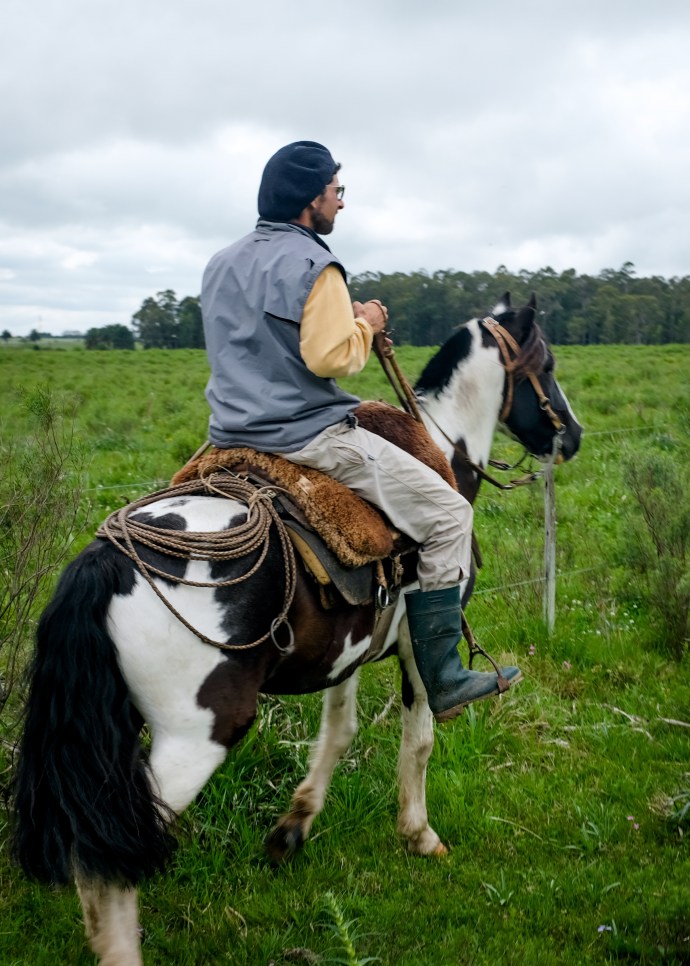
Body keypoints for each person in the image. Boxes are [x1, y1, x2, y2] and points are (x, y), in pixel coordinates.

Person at [201, 140, 521, 723]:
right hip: (307, 438)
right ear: (310, 199)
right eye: (336, 191)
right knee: (451, 516)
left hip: (229, 437)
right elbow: (332, 358)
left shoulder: (221, 263)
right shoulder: (315, 265)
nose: (341, 203)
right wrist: (366, 324)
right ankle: (444, 674)